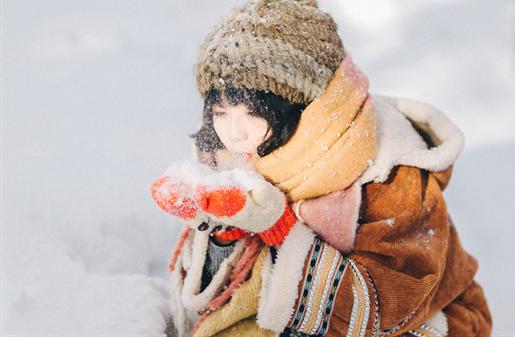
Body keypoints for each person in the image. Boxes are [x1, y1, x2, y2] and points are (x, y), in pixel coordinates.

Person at [156, 1, 493, 336]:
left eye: (252, 112)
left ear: (297, 105)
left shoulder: (388, 167)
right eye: (220, 112)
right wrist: (223, 235)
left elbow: (390, 305)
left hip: (417, 320)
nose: (233, 132)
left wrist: (281, 229)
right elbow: (203, 305)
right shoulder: (228, 153)